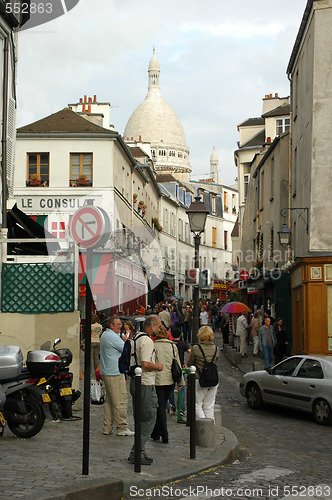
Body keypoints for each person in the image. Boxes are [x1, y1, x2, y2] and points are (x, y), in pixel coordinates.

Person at [128, 315, 163, 465]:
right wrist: (158, 366)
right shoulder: (147, 341)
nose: (160, 329)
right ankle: (136, 452)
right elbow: (145, 364)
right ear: (152, 326)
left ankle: (141, 452)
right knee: (149, 418)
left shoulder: (137, 337)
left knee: (140, 418)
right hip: (146, 383)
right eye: (159, 326)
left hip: (136, 382)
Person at [99, 316, 134, 436]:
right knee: (120, 400)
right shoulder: (112, 336)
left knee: (109, 401)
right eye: (118, 324)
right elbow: (126, 347)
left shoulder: (105, 335)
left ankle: (107, 427)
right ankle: (121, 426)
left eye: (120, 324)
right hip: (114, 372)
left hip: (107, 371)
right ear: (111, 326)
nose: (120, 326)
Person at [151, 326, 184, 443]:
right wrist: (180, 382)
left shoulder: (154, 346)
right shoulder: (172, 346)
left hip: (158, 380)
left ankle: (164, 434)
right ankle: (156, 433)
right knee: (162, 403)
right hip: (170, 380)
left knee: (160, 405)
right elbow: (178, 364)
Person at [187, 326, 219, 420]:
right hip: (213, 379)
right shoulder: (216, 348)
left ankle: (204, 426)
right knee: (209, 406)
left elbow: (190, 363)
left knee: (197, 405)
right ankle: (210, 428)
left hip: (199, 379)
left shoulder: (196, 348)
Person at [168, 327, 191, 416]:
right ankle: (181, 408)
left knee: (170, 388)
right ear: (180, 335)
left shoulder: (171, 344)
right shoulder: (183, 344)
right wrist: (186, 363)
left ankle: (172, 407)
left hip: (172, 367)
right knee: (182, 388)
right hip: (180, 368)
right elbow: (190, 351)